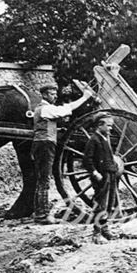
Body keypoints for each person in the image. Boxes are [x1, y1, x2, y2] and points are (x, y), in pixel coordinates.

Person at [31, 84, 93, 223]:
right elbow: (66, 110)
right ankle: (42, 216)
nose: (55, 96)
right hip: (45, 145)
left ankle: (40, 213)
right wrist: (85, 97)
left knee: (42, 179)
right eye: (52, 94)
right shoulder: (45, 108)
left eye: (55, 93)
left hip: (44, 144)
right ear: (45, 95)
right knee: (44, 180)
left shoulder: (44, 109)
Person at [83, 114, 122, 241]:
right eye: (108, 125)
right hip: (101, 176)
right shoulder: (94, 140)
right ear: (100, 125)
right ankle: (97, 233)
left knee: (108, 203)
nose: (110, 128)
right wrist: (95, 173)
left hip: (109, 174)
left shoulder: (104, 139)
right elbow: (87, 160)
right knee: (101, 204)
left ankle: (105, 230)